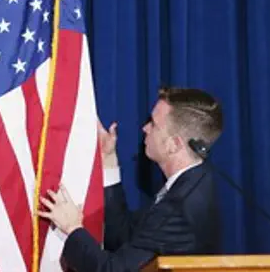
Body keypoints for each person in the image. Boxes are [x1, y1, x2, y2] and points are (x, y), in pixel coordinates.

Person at [38, 86, 224, 272]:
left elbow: (112, 270)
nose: (145, 128)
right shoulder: (193, 182)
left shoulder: (180, 208)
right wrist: (108, 160)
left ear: (174, 144)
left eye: (153, 123)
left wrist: (72, 228)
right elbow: (125, 237)